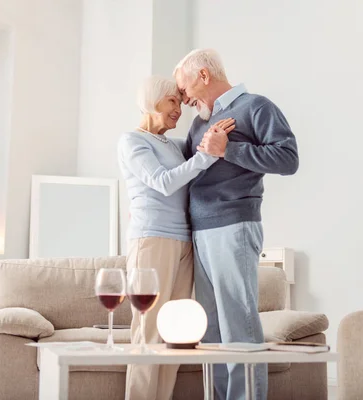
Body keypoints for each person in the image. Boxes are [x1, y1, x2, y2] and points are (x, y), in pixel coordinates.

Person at [174, 49, 299, 400]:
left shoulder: (256, 107)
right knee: (211, 329)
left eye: (184, 90)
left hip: (233, 224)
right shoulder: (199, 122)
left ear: (202, 76)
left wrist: (229, 150)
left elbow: (288, 159)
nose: (184, 100)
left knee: (238, 324)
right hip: (200, 229)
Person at [117, 75, 235, 400]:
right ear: (153, 101)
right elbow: (164, 182)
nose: (178, 110)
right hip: (151, 240)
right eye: (172, 101)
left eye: (180, 104)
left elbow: (193, 173)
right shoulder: (132, 141)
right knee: (149, 331)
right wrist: (205, 156)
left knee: (174, 333)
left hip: (184, 242)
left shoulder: (173, 144)